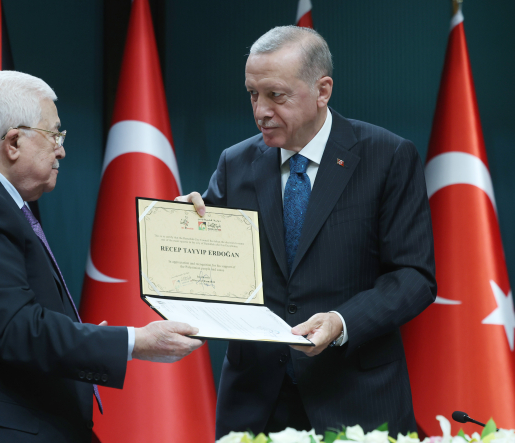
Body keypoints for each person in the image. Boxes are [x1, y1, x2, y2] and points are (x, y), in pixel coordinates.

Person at [0, 71, 203, 443]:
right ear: (14, 142)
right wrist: (135, 342)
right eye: (54, 135)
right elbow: (16, 329)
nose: (61, 150)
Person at [177, 26, 437, 437]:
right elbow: (212, 272)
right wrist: (182, 231)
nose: (261, 111)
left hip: (356, 398)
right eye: (252, 94)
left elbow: (414, 277)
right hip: (257, 405)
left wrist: (341, 321)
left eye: (275, 95)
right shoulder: (235, 163)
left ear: (322, 91)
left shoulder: (387, 157)